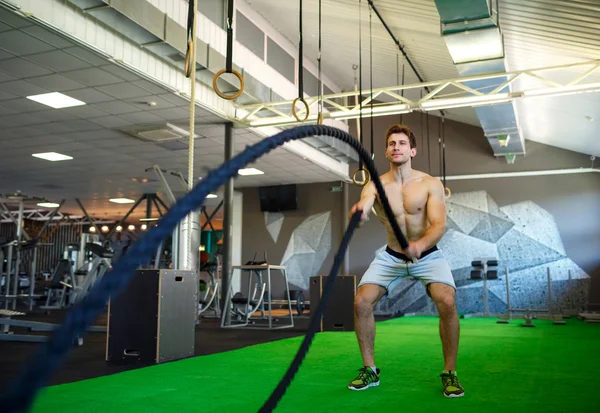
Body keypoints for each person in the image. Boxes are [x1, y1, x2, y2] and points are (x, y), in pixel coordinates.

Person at [347, 124, 464, 398]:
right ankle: (370, 370)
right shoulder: (376, 183)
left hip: (428, 254)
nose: (396, 147)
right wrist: (361, 211)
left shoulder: (430, 184)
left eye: (401, 143)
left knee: (446, 300)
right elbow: (366, 201)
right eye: (391, 143)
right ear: (386, 151)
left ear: (412, 150)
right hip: (391, 256)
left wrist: (420, 245)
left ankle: (450, 372)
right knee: (361, 301)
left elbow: (438, 225)